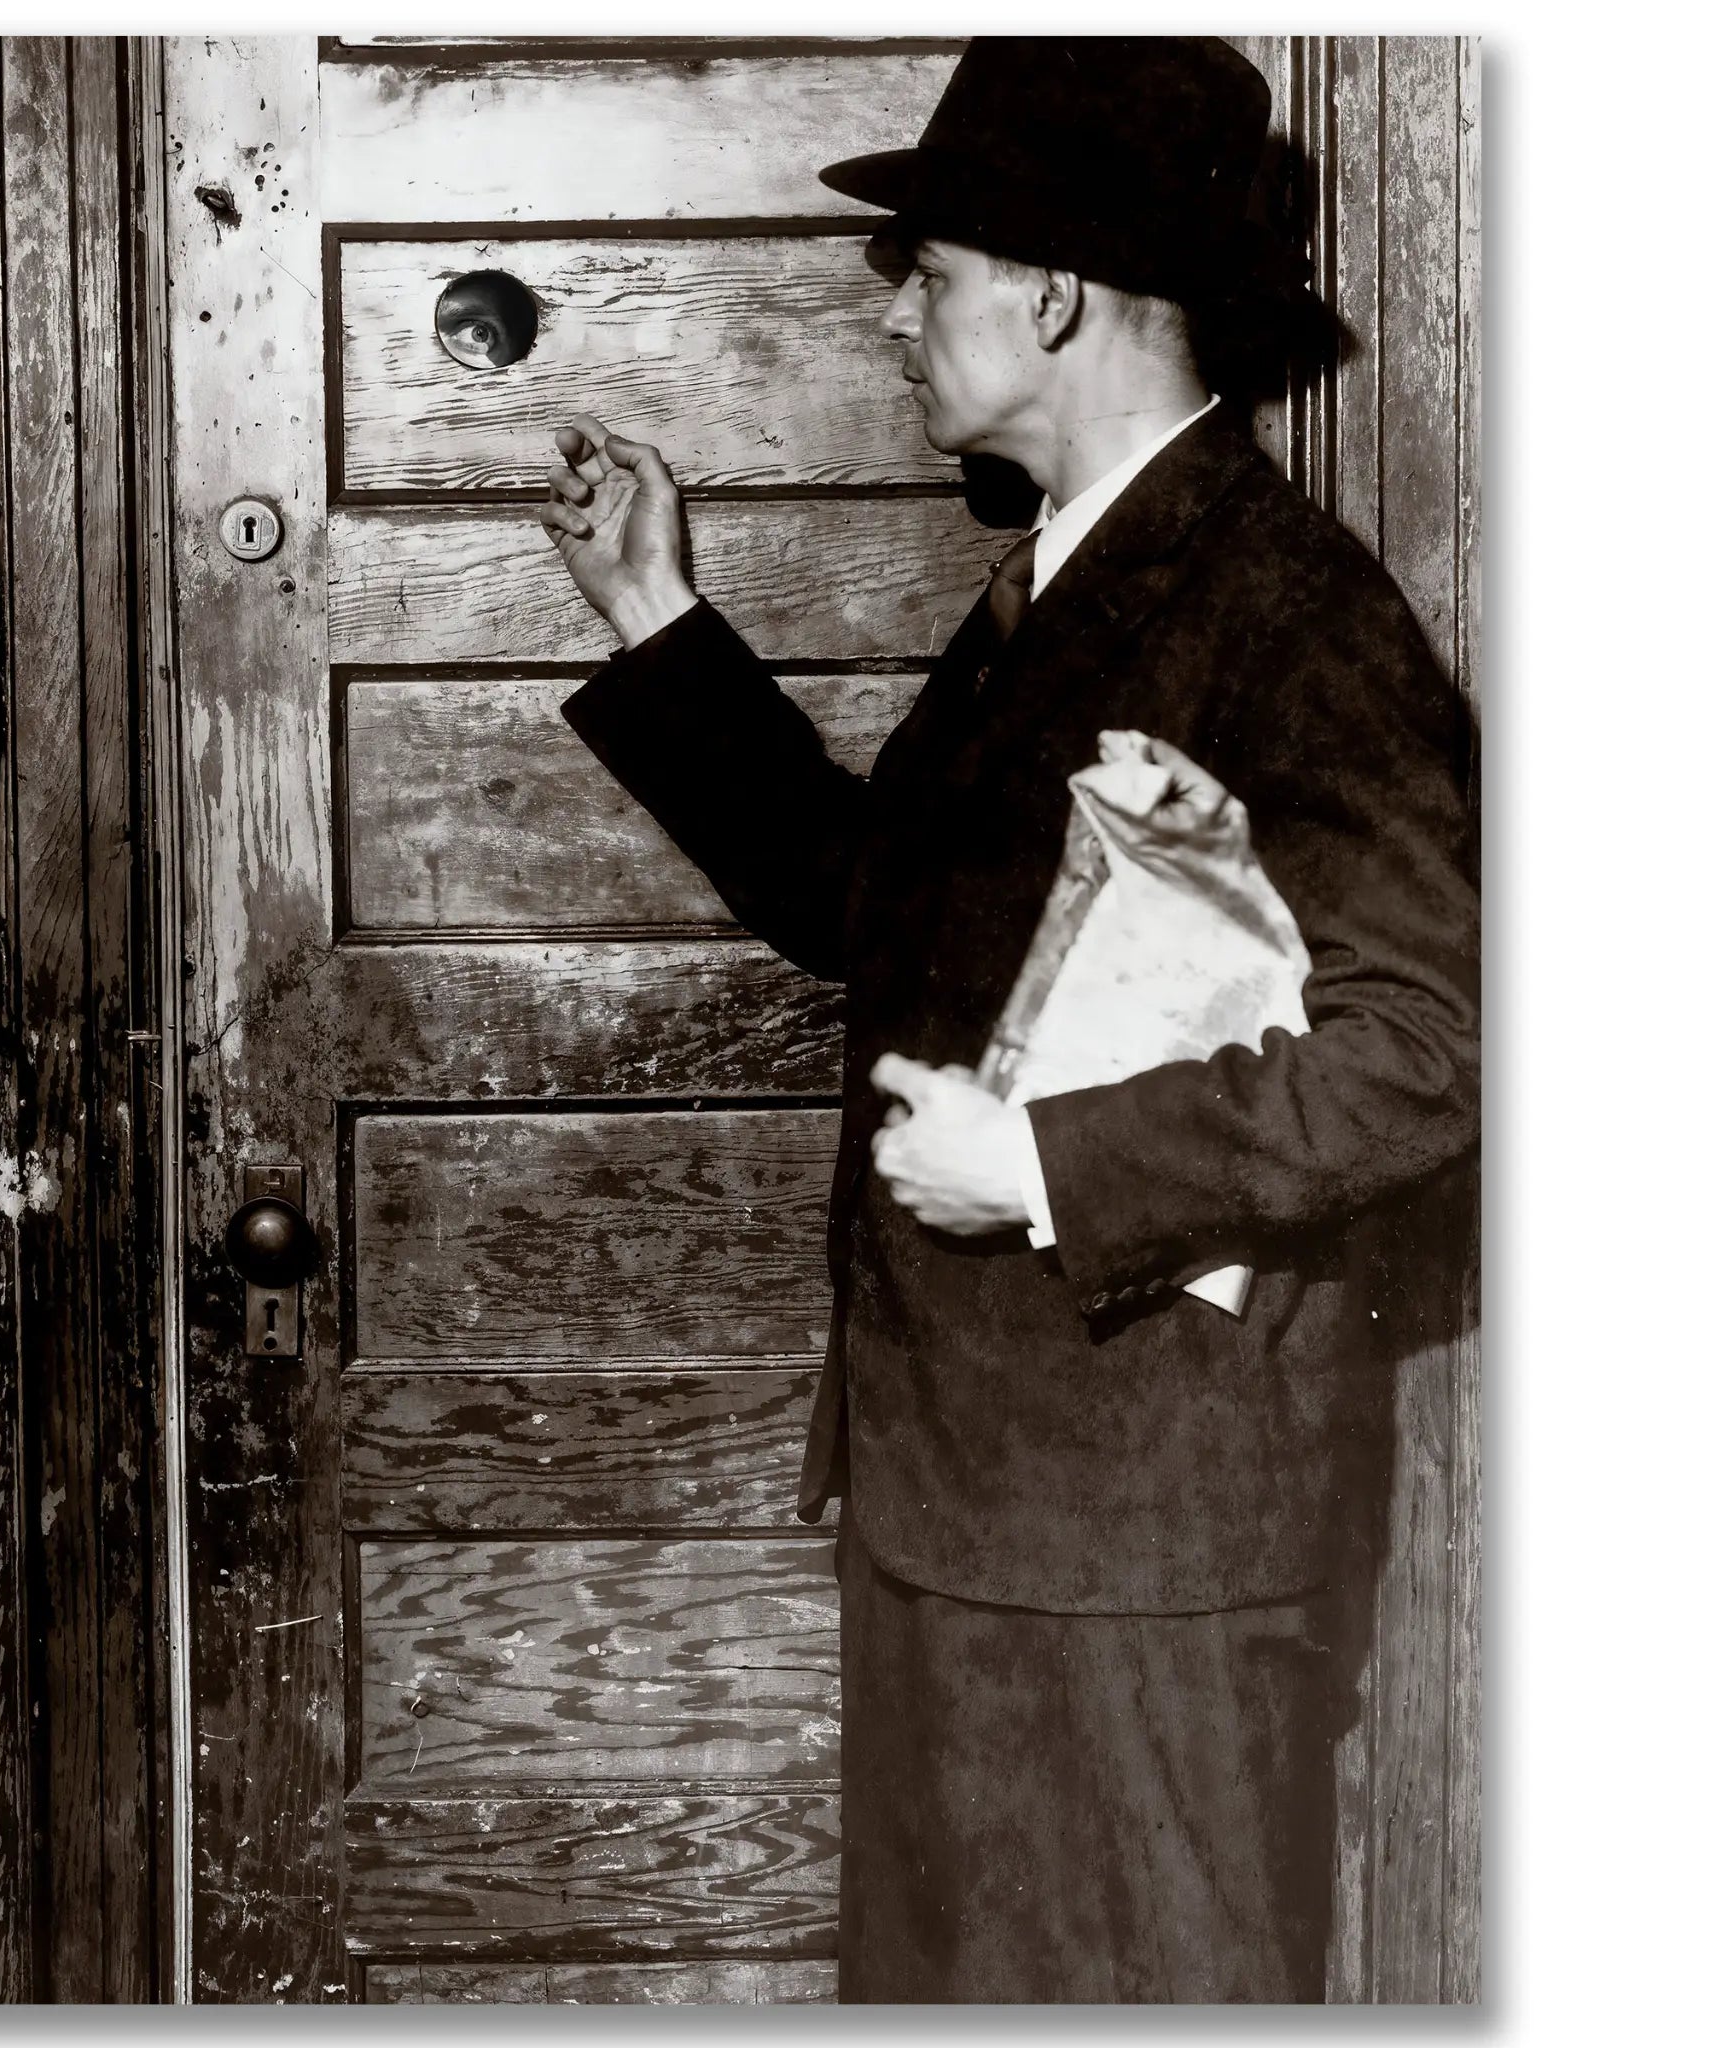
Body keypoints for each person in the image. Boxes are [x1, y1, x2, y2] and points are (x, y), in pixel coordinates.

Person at [535, 36, 1478, 2003]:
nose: (903, 312)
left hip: (1141, 1551)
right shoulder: (1065, 580)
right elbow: (877, 909)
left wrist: (1045, 1165)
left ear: (1051, 292)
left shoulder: (1289, 613)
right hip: (980, 1505)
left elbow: (1439, 1045)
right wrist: (654, 621)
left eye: (931, 268)